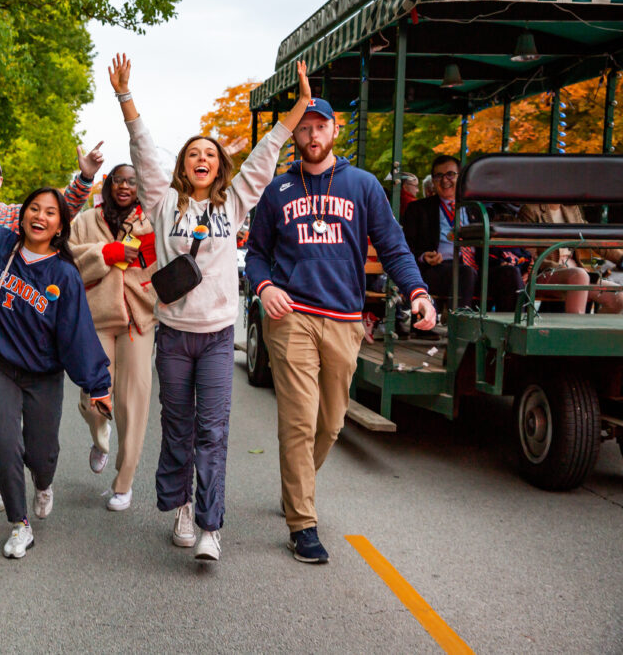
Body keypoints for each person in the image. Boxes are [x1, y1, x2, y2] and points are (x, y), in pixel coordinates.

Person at [109, 53, 310, 562]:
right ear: (183, 165)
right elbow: (143, 148)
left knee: (213, 431)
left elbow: (265, 154)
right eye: (193, 153)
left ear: (220, 165)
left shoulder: (236, 200)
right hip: (174, 336)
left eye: (211, 154)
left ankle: (209, 525)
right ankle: (180, 506)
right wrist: (125, 97)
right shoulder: (162, 200)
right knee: (177, 424)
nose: (202, 159)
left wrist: (297, 111)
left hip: (219, 336)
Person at [245, 97, 437, 564]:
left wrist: (417, 292)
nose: (312, 135)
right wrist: (265, 286)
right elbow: (255, 253)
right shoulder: (278, 192)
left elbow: (393, 246)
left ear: (335, 131)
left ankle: (298, 486)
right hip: (291, 316)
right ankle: (302, 523)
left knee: (330, 422)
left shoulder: (363, 186)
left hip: (345, 320)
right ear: (295, 136)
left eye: (320, 127)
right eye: (304, 128)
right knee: (299, 419)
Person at [0, 146, 113, 559]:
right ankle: (19, 523)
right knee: (4, 443)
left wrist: (98, 385)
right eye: (34, 208)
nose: (40, 216)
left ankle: (44, 483)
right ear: (22, 214)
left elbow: (78, 336)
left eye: (50, 212)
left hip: (43, 375)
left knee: (41, 452)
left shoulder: (64, 275)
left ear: (59, 225)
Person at [69, 162, 157, 511]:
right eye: (119, 180)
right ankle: (99, 438)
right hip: (97, 317)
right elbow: (70, 259)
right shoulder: (86, 220)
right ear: (108, 184)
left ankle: (124, 483)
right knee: (95, 399)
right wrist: (106, 254)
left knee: (132, 403)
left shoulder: (149, 220)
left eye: (132, 181)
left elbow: (158, 262)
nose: (125, 186)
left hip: (139, 318)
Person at [403, 155, 524, 313]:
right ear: (433, 181)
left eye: (450, 175)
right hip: (438, 270)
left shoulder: (476, 208)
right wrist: (424, 256)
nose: (445, 180)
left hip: (476, 267)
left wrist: (501, 261)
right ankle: (460, 332)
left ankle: (509, 332)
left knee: (510, 274)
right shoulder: (419, 209)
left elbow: (488, 244)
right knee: (464, 273)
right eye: (439, 176)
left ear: (460, 178)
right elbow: (406, 246)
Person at [519, 203, 623, 314]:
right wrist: (562, 268)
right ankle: (576, 329)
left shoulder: (571, 207)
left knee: (618, 297)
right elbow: (530, 255)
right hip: (545, 273)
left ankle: (591, 330)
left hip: (578, 274)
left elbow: (592, 238)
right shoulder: (530, 209)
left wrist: (621, 258)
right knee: (579, 275)